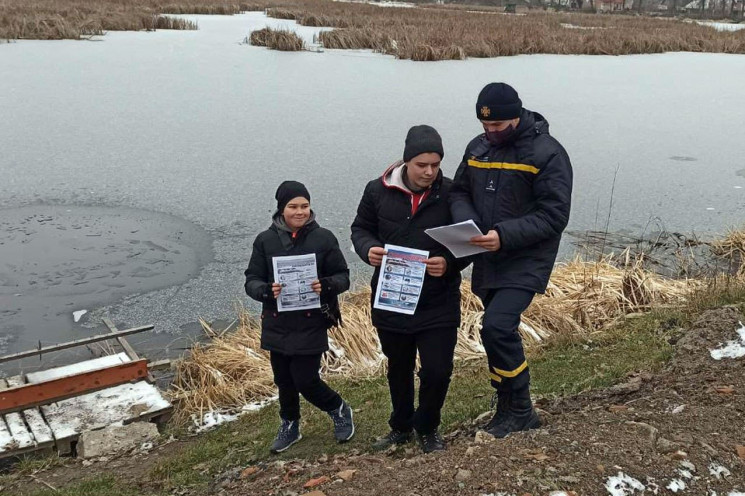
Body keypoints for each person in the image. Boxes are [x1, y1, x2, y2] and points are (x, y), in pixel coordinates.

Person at [449, 82, 573, 438]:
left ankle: (522, 409)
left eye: (497, 127)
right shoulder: (478, 148)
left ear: (516, 118)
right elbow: (459, 191)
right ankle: (505, 405)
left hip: (526, 258)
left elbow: (554, 216)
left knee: (497, 327)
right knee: (496, 334)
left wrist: (503, 235)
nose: (490, 133)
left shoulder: (548, 154)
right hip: (486, 255)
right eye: (485, 127)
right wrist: (467, 224)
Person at [351, 125, 464, 453]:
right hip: (392, 299)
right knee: (398, 367)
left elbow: (469, 240)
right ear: (406, 161)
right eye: (421, 164)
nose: (429, 171)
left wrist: (448, 262)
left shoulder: (453, 193)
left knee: (438, 370)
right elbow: (360, 228)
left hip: (437, 300)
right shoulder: (376, 191)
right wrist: (368, 248)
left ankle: (427, 426)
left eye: (435, 164)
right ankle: (400, 426)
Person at [244, 181, 354, 453]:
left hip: (311, 319)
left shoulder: (324, 238)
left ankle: (338, 408)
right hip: (276, 320)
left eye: (304, 206)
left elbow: (343, 277)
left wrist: (326, 285)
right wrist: (266, 291)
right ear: (282, 209)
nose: (300, 211)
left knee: (306, 380)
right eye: (293, 206)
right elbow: (252, 280)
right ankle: (290, 424)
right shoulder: (265, 240)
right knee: (283, 380)